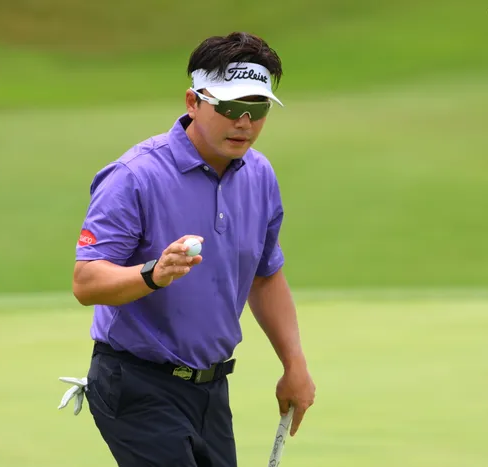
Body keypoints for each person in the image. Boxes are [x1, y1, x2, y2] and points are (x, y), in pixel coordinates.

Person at [70, 31, 316, 466]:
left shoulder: (259, 175)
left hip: (210, 390)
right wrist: (152, 274)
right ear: (193, 102)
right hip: (135, 384)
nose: (244, 122)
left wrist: (294, 364)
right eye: (230, 107)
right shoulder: (135, 176)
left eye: (258, 108)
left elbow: (265, 276)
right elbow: (86, 282)